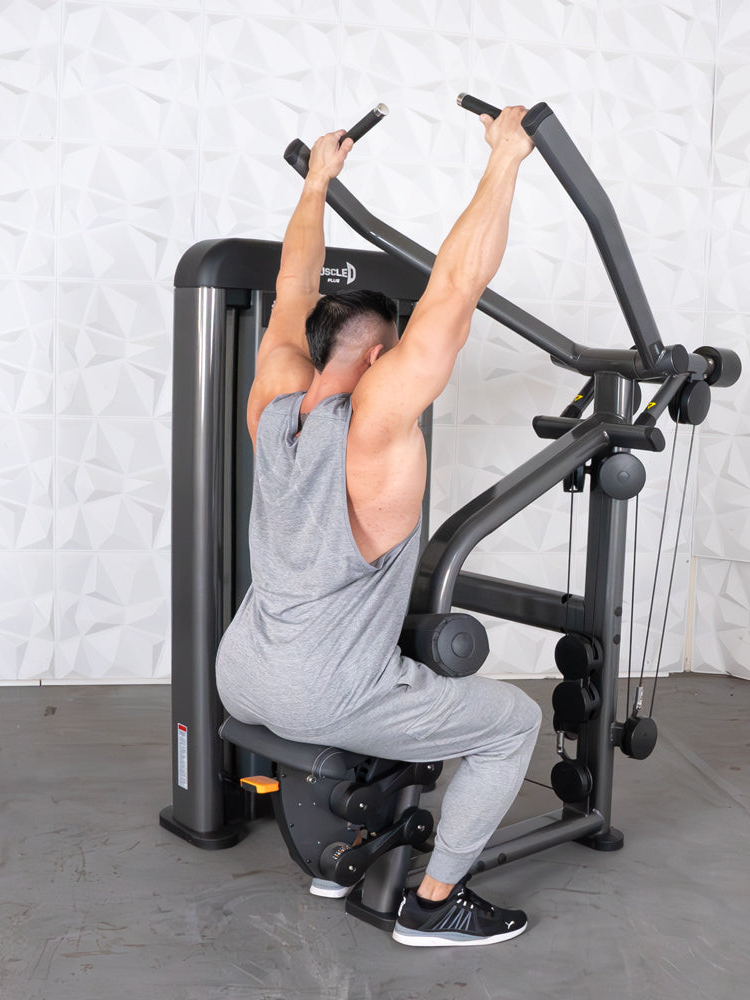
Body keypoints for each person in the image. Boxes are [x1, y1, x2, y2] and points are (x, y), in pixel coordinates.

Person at [215, 106, 542, 947]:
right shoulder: (377, 421)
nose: (404, 364)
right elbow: (456, 290)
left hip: (242, 669)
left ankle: (345, 856)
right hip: (323, 691)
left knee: (397, 678)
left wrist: (318, 182)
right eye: (394, 353)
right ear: (375, 357)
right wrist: (507, 157)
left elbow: (294, 285)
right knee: (511, 727)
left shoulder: (276, 394)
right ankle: (435, 906)